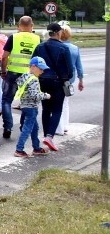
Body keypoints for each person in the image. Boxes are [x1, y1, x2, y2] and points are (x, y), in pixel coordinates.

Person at [32, 23, 75, 152]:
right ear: (58, 32)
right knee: (57, 110)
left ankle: (46, 135)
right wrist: (67, 78)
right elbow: (69, 69)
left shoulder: (40, 46)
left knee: (46, 109)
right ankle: (50, 136)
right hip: (58, 82)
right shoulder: (63, 48)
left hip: (43, 81)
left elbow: (33, 62)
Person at [0, 16, 41, 140]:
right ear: (32, 25)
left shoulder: (14, 37)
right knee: (26, 102)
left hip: (12, 73)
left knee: (6, 100)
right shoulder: (37, 39)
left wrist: (3, 71)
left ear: (19, 25)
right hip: (29, 75)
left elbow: (4, 56)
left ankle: (8, 127)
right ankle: (23, 126)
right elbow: (38, 59)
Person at [13, 56, 52, 158]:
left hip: (24, 105)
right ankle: (19, 149)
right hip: (31, 107)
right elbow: (34, 95)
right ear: (33, 66)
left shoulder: (25, 76)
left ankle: (36, 148)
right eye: (41, 69)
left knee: (35, 128)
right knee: (27, 129)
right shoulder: (34, 79)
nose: (42, 71)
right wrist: (46, 96)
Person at [58, 24, 85, 136]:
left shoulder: (58, 47)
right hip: (70, 78)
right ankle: (65, 126)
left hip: (58, 76)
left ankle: (59, 127)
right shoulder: (75, 48)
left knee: (57, 103)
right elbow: (79, 66)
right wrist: (81, 80)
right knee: (65, 101)